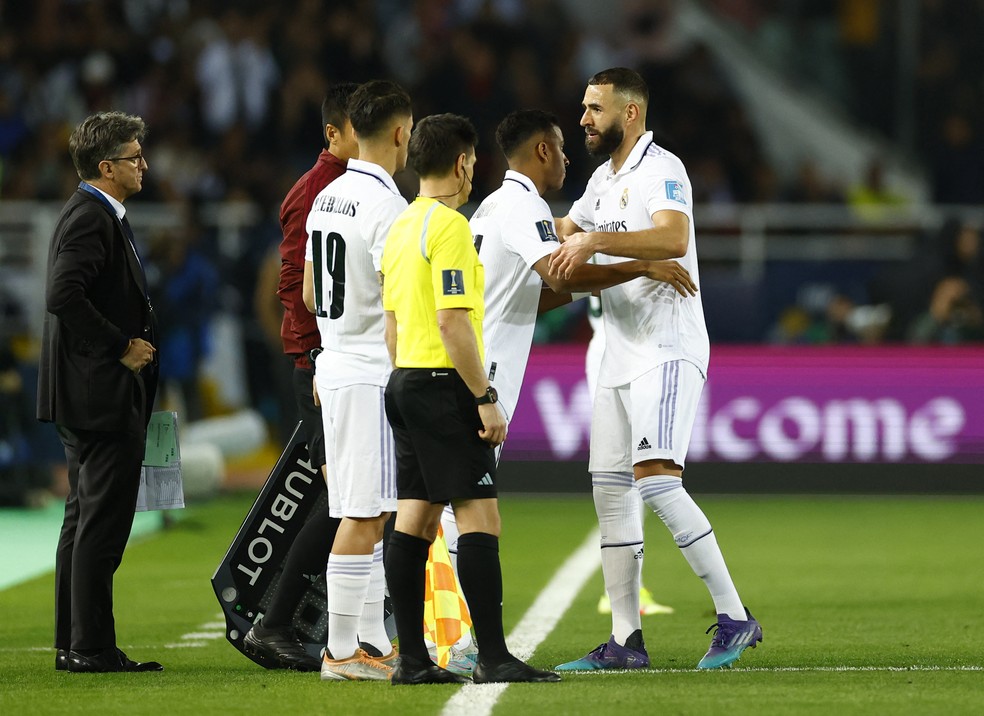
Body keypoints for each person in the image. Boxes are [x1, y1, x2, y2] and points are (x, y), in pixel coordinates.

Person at [438, 109, 689, 638]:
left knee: (443, 507)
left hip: (466, 367)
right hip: (484, 375)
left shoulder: (489, 208)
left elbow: (541, 295)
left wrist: (606, 279)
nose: (570, 154)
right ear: (544, 152)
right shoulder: (524, 206)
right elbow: (561, 269)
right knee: (461, 513)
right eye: (560, 145)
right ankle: (452, 637)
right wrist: (639, 266)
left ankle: (434, 632)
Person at [549, 68, 762, 671]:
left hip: (665, 346)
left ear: (630, 113)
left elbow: (673, 236)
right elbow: (566, 229)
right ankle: (625, 642)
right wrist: (504, 224)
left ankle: (735, 617)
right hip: (619, 350)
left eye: (595, 109)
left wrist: (594, 245)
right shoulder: (601, 179)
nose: (584, 118)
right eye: (584, 108)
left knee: (657, 479)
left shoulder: (662, 169)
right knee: (611, 491)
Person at [381, 113, 560, 685]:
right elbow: (454, 320)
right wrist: (483, 396)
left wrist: (407, 379)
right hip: (442, 384)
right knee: (480, 517)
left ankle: (411, 659)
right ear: (462, 163)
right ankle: (493, 656)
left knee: (413, 516)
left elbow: (390, 323)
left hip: (405, 377)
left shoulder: (402, 225)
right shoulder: (450, 227)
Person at [37, 111, 162, 673]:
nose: (145, 165)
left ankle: (74, 642)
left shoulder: (94, 213)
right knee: (101, 525)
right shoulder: (92, 216)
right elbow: (63, 293)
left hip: (86, 394)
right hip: (100, 393)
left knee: (82, 520)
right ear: (106, 166)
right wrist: (120, 346)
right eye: (135, 157)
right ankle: (91, 647)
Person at [241, 83, 358, 671]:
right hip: (324, 367)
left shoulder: (349, 185)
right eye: (358, 127)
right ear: (334, 132)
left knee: (350, 499)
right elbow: (295, 285)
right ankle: (277, 622)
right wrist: (314, 356)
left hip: (332, 364)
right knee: (344, 500)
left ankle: (340, 627)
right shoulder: (319, 190)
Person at [302, 79, 413, 681]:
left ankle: (371, 640)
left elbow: (312, 289)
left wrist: (327, 351)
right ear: (400, 132)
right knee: (365, 515)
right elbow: (396, 307)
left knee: (364, 509)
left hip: (336, 362)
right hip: (371, 370)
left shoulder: (329, 196)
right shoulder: (388, 208)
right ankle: (341, 651)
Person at [586, 295, 675, 618]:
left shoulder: (596, 242)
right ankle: (624, 591)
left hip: (621, 345)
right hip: (620, 345)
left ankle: (627, 588)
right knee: (629, 473)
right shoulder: (608, 243)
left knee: (631, 474)